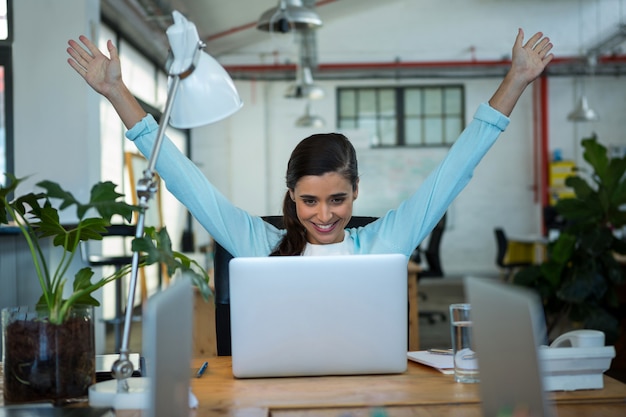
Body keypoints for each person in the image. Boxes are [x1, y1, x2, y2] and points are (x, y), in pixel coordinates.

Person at [66, 29, 554, 259]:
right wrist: (117, 93)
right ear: (292, 195)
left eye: (337, 199)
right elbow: (186, 180)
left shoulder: (387, 242)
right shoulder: (259, 244)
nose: (324, 215)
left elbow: (455, 170)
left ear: (356, 192)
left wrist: (515, 81)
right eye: (309, 200)